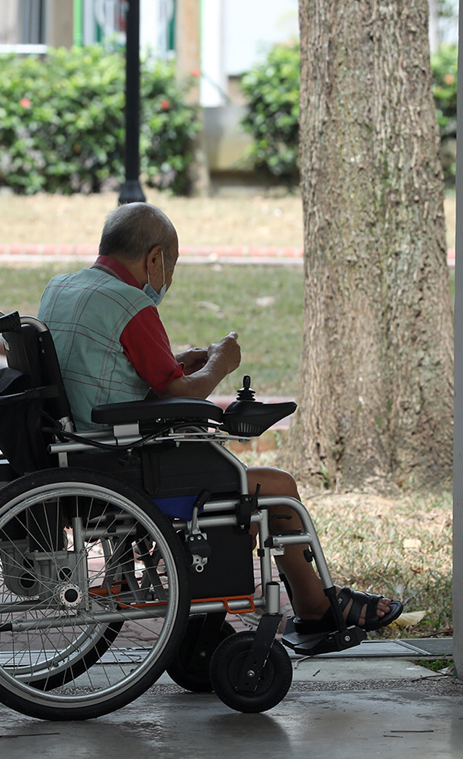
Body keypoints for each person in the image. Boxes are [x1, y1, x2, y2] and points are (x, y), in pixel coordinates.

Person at [37, 202, 403, 639]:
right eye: (169, 267)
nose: (167, 279)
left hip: (77, 450)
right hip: (123, 463)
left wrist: (177, 362)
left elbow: (107, 366)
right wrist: (220, 364)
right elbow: (179, 394)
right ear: (154, 259)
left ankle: (298, 605)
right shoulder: (130, 304)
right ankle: (315, 605)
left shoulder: (62, 288)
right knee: (278, 487)